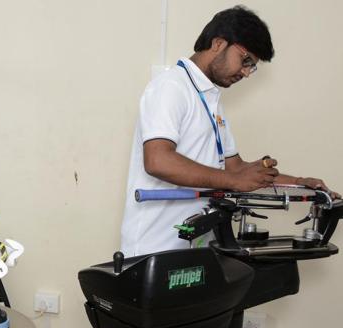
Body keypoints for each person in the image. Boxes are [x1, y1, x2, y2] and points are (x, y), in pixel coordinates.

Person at [121, 6, 339, 258]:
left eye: (252, 66)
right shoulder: (171, 87)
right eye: (245, 60)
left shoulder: (211, 99)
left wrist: (300, 185)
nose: (246, 72)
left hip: (197, 248)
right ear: (218, 43)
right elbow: (158, 160)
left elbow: (235, 169)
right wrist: (233, 181)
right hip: (155, 248)